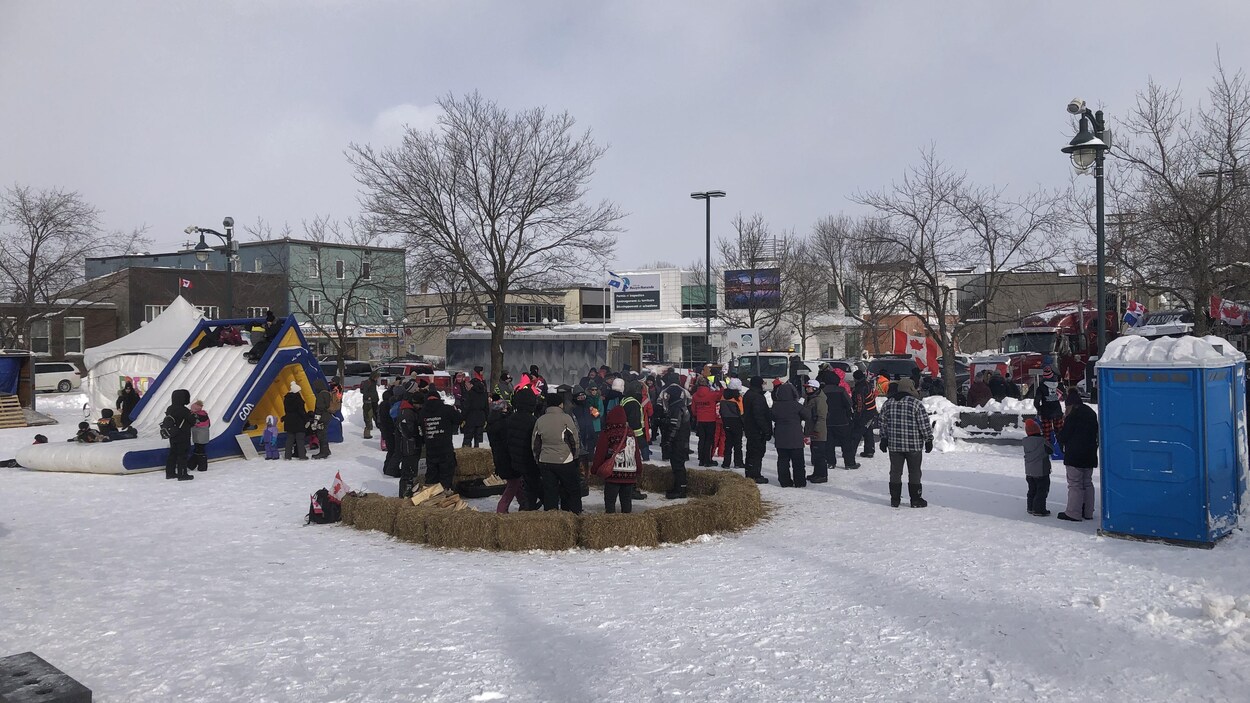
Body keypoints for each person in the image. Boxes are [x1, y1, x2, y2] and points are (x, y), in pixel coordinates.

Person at [879, 378, 933, 508]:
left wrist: (883, 439)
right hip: (913, 445)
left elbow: (882, 423)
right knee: (914, 472)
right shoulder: (916, 404)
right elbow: (924, 424)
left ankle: (895, 499)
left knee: (895, 472)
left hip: (894, 445)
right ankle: (915, 499)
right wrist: (928, 439)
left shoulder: (888, 403)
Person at [531, 391, 582, 513]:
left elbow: (535, 443)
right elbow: (574, 440)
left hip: (546, 460)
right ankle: (575, 514)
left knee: (550, 492)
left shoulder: (540, 420)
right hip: (565, 459)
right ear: (560, 404)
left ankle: (552, 518)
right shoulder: (566, 418)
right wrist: (575, 456)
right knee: (572, 489)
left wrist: (538, 458)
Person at [1057, 390, 1099, 522]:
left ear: (1071, 405)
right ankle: (1088, 512)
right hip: (1090, 454)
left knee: (1075, 484)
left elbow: (1064, 436)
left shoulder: (1073, 416)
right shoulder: (1091, 413)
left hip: (1074, 456)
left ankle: (1073, 513)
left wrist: (1059, 435)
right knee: (1087, 483)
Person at [593, 406, 641, 513]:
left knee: (610, 501)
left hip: (613, 473)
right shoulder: (630, 432)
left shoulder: (607, 432)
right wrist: (639, 469)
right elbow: (636, 453)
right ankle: (627, 523)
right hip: (629, 473)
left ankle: (611, 523)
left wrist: (595, 469)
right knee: (626, 501)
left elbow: (600, 453)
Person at [505, 388, 542, 510]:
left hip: (514, 459)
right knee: (532, 487)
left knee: (522, 487)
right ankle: (529, 507)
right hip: (528, 460)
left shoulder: (510, 419)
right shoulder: (533, 421)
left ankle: (526, 505)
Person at [420, 390, 462, 490]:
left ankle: (432, 495)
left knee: (432, 473)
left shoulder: (422, 412)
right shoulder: (447, 409)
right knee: (446, 472)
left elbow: (420, 427)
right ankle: (445, 492)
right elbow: (459, 419)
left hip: (430, 447)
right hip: (445, 446)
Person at [771, 381, 810, 487]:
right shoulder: (796, 405)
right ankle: (800, 481)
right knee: (798, 462)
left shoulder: (776, 406)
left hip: (781, 437)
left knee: (783, 461)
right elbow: (807, 416)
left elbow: (772, 417)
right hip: (795, 437)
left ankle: (785, 481)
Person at [660, 377, 692, 499]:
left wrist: (668, 440)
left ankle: (680, 490)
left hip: (678, 441)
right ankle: (678, 487)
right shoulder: (681, 405)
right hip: (683, 439)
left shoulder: (676, 408)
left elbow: (675, 426)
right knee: (678, 464)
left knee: (677, 465)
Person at [741, 376, 772, 484]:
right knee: (757, 453)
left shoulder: (748, 394)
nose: (764, 385)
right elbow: (759, 415)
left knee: (751, 452)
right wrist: (766, 430)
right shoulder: (757, 397)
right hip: (757, 430)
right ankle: (755, 474)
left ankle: (749, 473)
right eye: (762, 383)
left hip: (750, 428)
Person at [396, 389, 424, 498]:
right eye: (419, 404)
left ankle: (408, 493)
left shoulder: (409, 411)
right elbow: (406, 431)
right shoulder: (407, 412)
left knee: (411, 472)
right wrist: (417, 434)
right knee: (408, 473)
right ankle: (404, 495)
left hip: (410, 446)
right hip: (409, 447)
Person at [163, 388, 195, 480]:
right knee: (182, 455)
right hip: (183, 435)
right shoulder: (184, 410)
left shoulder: (170, 408)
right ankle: (182, 474)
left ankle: (170, 473)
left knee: (172, 454)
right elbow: (192, 421)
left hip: (173, 434)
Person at [569, 386, 598, 490]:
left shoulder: (587, 405)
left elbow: (597, 415)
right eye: (579, 397)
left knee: (590, 455)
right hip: (579, 433)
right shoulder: (573, 408)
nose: (581, 399)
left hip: (589, 433)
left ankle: (589, 476)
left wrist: (594, 412)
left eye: (583, 396)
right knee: (581, 457)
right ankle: (582, 477)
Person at [1022, 418, 1052, 516]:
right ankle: (1039, 509)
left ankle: (1030, 507)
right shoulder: (1042, 441)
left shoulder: (1025, 442)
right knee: (1041, 491)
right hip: (1041, 471)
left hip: (1029, 471)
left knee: (1032, 490)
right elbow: (1051, 450)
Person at [802, 378, 830, 482]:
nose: (806, 389)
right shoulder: (810, 398)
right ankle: (816, 473)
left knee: (820, 454)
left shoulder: (820, 399)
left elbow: (822, 417)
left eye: (808, 387)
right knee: (815, 453)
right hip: (812, 430)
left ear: (814, 388)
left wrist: (816, 431)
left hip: (818, 432)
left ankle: (822, 475)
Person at [691, 377, 719, 467]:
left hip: (700, 419)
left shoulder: (695, 395)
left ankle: (701, 459)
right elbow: (722, 394)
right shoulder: (712, 394)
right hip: (710, 419)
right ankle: (708, 460)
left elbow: (693, 410)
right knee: (709, 440)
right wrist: (720, 386)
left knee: (701, 440)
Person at [851, 370, 879, 459]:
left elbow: (860, 403)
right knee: (868, 431)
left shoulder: (859, 388)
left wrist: (857, 415)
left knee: (857, 432)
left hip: (865, 412)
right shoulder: (867, 384)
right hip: (871, 410)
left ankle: (850, 452)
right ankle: (869, 450)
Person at [1033, 366, 1065, 442]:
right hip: (1057, 411)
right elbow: (1064, 396)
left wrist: (1039, 409)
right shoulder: (1059, 385)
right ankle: (1060, 448)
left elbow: (1036, 401)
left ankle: (1048, 449)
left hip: (1046, 412)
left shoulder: (1041, 387)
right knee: (1060, 432)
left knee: (1047, 434)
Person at [719, 379, 746, 469]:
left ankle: (726, 463)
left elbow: (721, 410)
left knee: (728, 443)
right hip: (736, 422)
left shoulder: (723, 396)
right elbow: (742, 412)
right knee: (737, 444)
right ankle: (738, 462)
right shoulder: (738, 398)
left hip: (726, 421)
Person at [282, 381, 309, 460]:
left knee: (289, 440)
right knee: (300, 440)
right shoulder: (298, 399)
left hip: (289, 421)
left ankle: (287, 456)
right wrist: (306, 420)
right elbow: (301, 411)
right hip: (298, 421)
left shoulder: (286, 399)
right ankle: (302, 456)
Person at [460, 376, 488, 447]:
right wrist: (486, 419)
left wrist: (462, 418)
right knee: (478, 439)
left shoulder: (469, 394)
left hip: (470, 418)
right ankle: (479, 453)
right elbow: (486, 408)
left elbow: (466, 407)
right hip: (481, 418)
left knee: (468, 437)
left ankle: (466, 452)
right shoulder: (484, 394)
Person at [310, 379, 332, 459]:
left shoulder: (321, 395)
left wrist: (316, 420)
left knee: (321, 434)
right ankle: (326, 450)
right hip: (328, 416)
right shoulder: (328, 393)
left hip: (322, 417)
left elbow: (319, 408)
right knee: (324, 433)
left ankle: (323, 452)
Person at [189, 399, 210, 472]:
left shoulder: (195, 415)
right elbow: (208, 424)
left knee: (198, 450)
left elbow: (191, 423)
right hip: (204, 435)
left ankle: (198, 466)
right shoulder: (204, 414)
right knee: (200, 450)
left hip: (197, 435)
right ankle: (197, 465)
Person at [360, 371, 380, 439]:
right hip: (368, 402)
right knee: (368, 417)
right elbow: (365, 392)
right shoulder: (368, 382)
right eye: (377, 377)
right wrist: (369, 398)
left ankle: (375, 426)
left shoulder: (373, 382)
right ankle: (367, 433)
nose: (377, 378)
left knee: (375, 414)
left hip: (374, 401)